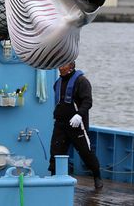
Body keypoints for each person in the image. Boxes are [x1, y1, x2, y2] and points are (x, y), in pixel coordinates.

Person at [49, 61, 103, 189]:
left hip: (76, 125)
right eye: (59, 65)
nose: (60, 68)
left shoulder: (82, 81)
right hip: (60, 125)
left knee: (85, 152)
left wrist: (79, 115)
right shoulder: (58, 83)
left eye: (63, 65)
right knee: (55, 151)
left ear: (71, 66)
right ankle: (53, 178)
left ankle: (97, 176)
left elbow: (88, 101)